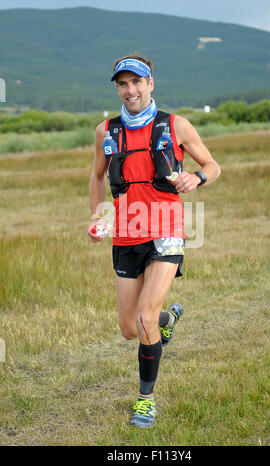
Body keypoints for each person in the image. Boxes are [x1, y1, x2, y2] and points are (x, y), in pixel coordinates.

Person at [87, 54, 220, 428]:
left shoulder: (176, 126)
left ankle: (145, 401)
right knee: (130, 328)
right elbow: (97, 176)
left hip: (166, 228)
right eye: (122, 84)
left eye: (136, 82)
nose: (130, 90)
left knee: (143, 319)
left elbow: (213, 165)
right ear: (117, 88)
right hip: (127, 232)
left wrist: (198, 178)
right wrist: (98, 214)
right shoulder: (105, 131)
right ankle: (167, 318)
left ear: (151, 83)